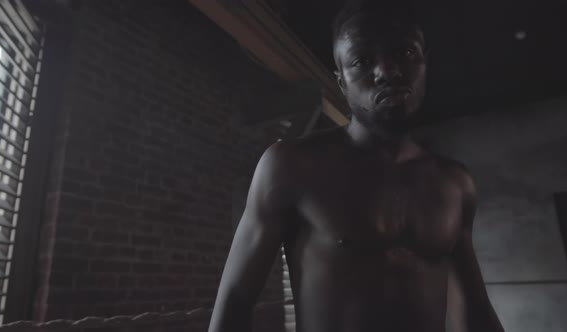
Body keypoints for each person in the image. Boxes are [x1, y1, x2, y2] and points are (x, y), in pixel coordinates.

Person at [208, 0, 505, 331]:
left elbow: (476, 308)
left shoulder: (455, 183)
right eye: (362, 60)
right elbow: (235, 300)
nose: (386, 71)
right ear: (341, 82)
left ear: (424, 64)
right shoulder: (292, 165)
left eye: (404, 54)